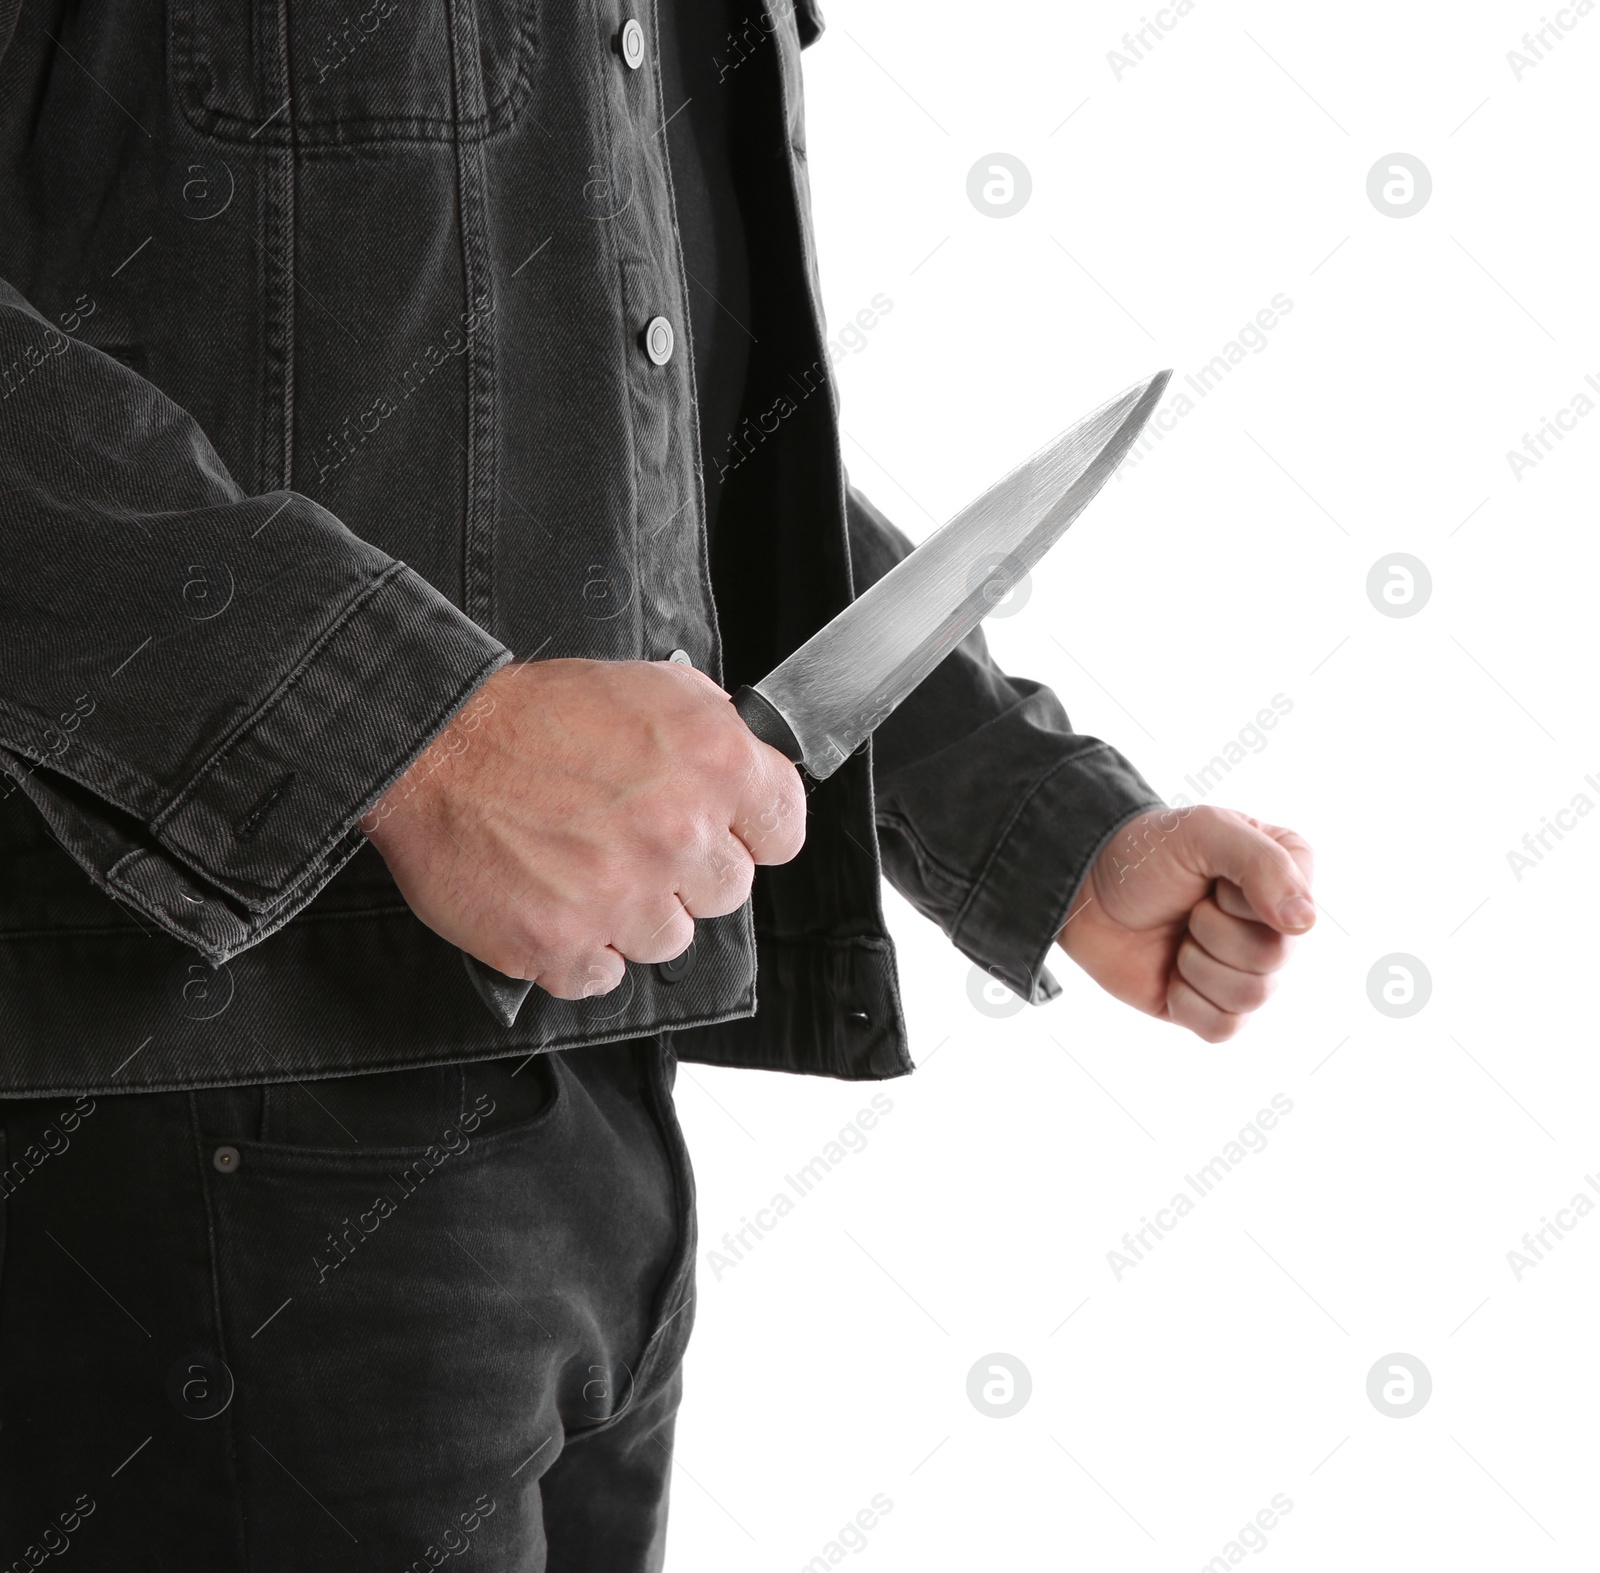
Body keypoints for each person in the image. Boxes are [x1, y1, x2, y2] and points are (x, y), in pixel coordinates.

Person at [0, 2, 1314, 1566]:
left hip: (602, 1131)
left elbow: (668, 446)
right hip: (188, 1125)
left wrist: (1032, 821)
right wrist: (409, 725)